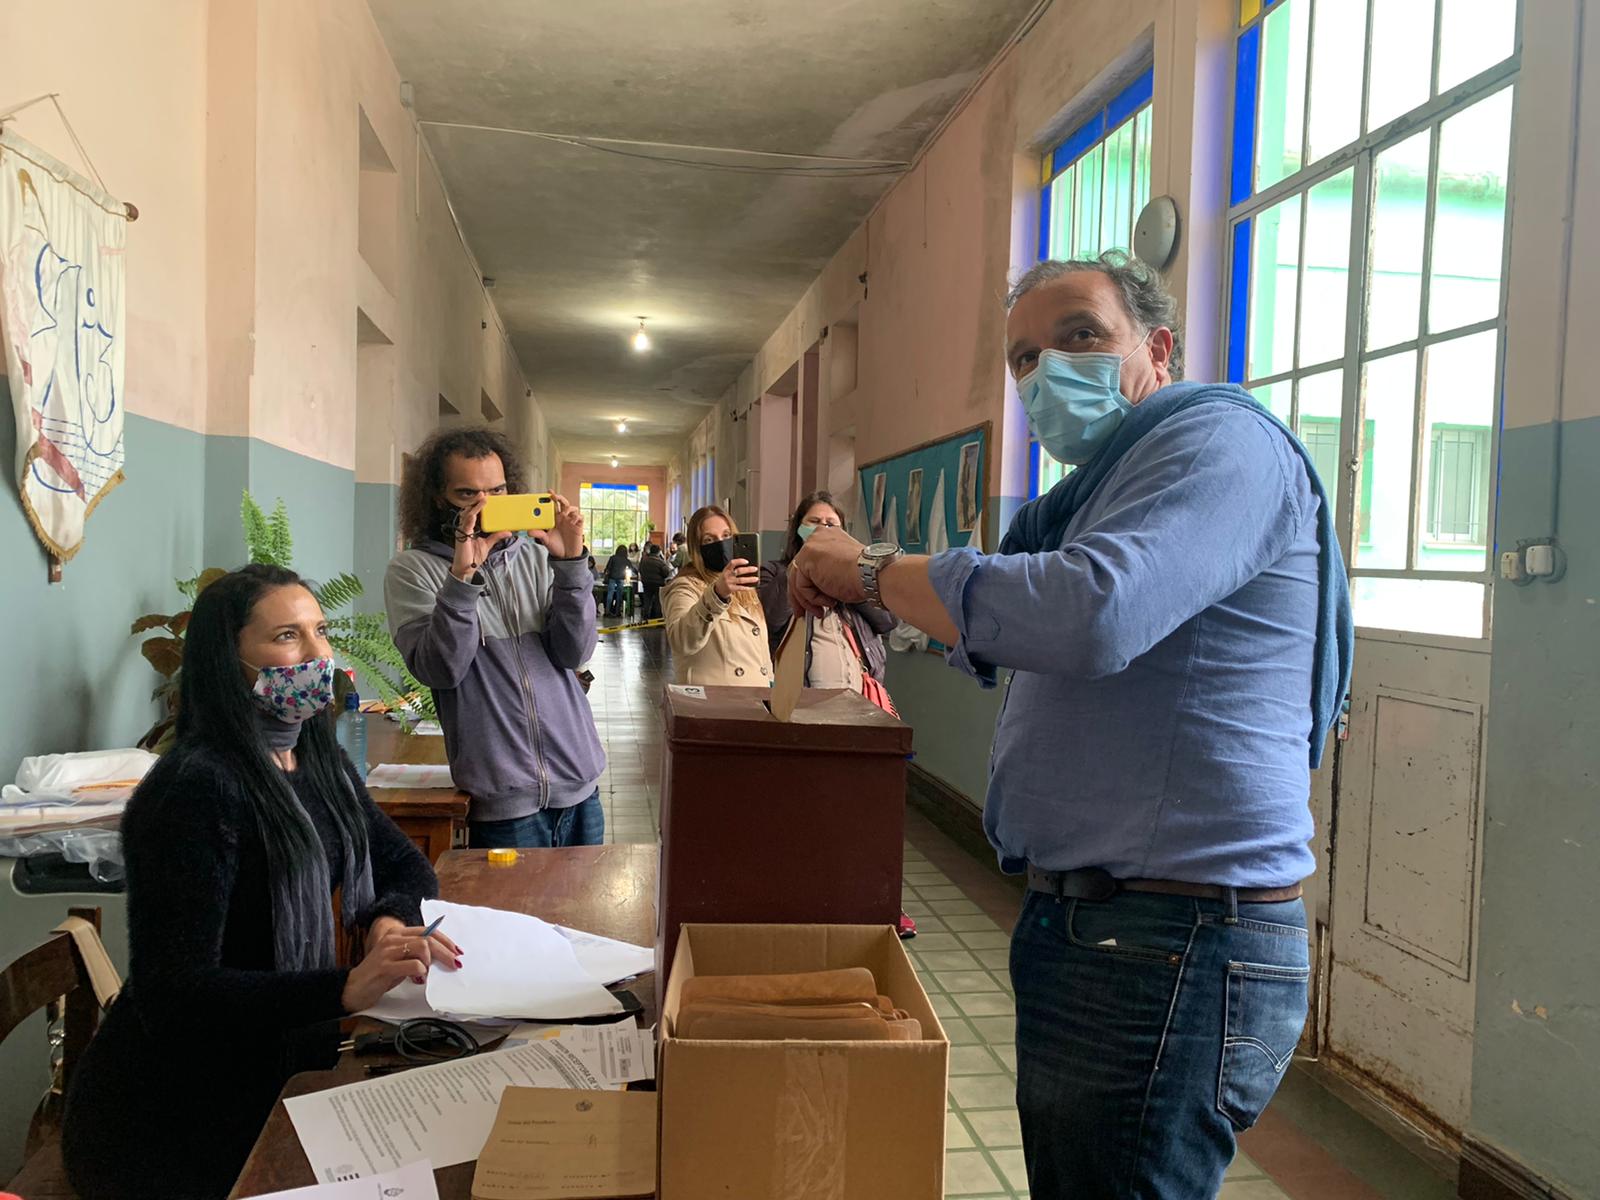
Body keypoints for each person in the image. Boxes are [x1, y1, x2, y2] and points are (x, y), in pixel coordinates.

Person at [786, 252, 1354, 1198]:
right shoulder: (1094, 494)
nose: (1047, 371)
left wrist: (870, 568)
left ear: (1158, 348)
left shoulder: (1219, 445)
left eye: (1081, 336)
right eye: (1024, 358)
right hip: (1104, 926)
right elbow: (1006, 611)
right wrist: (863, 584)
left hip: (1173, 936)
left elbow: (1090, 612)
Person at [62, 565, 459, 1200]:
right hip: (174, 1119)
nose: (317, 654)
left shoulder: (316, 757)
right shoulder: (195, 788)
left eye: (320, 631)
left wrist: (387, 920)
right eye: (286, 636)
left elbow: (403, 863)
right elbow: (175, 993)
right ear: (230, 659)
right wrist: (345, 988)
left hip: (285, 1067)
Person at [385, 428, 606, 849]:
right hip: (503, 804)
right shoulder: (412, 571)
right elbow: (441, 670)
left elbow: (575, 652)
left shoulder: (538, 557)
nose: (485, 505)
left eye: (498, 491)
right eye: (468, 494)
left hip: (579, 784)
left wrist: (572, 566)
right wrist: (461, 579)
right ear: (438, 498)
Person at [759, 491, 895, 691]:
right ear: (798, 528)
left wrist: (851, 578)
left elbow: (887, 621)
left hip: (859, 692)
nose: (822, 529)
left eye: (830, 524)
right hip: (801, 693)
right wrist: (800, 564)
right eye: (814, 522)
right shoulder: (773, 571)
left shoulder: (856, 573)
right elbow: (770, 620)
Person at [663, 505, 770, 686]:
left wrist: (770, 683)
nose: (721, 544)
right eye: (709, 539)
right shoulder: (685, 586)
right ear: (697, 548)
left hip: (757, 696)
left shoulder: (745, 587)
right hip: (716, 698)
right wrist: (717, 595)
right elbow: (681, 641)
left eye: (726, 536)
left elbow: (760, 649)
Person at [639, 540, 673, 621]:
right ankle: (658, 619)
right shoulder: (660, 562)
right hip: (658, 584)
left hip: (646, 583)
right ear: (658, 552)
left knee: (647, 600)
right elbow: (666, 573)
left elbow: (640, 569)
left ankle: (645, 618)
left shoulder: (644, 560)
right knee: (658, 602)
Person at [603, 545, 631, 617]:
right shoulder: (626, 560)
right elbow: (632, 568)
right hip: (621, 578)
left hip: (612, 578)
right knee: (619, 596)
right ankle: (617, 612)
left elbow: (608, 567)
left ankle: (607, 611)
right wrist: (638, 573)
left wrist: (605, 574)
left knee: (610, 594)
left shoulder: (613, 558)